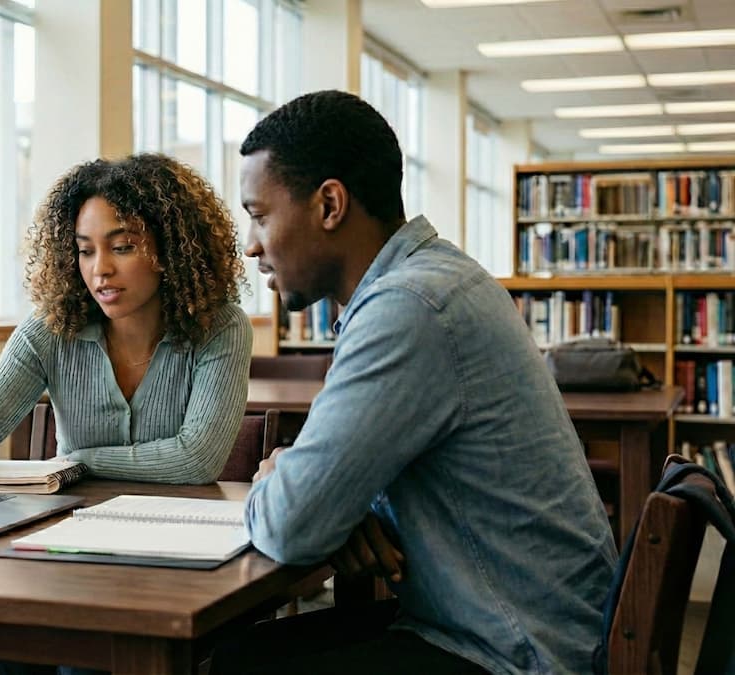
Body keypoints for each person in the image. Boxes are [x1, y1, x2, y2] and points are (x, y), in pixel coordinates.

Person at [209, 90, 617, 675]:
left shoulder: (408, 308)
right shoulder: (438, 277)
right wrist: (332, 508)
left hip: (515, 650)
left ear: (330, 205)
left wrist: (279, 476)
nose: (251, 246)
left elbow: (292, 525)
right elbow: (317, 506)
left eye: (259, 215)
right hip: (514, 622)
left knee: (233, 665)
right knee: (239, 656)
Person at [0, 152, 253, 675]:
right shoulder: (49, 328)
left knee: (88, 663)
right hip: (69, 546)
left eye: (122, 247)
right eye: (85, 250)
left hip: (176, 555)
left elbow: (195, 459)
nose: (100, 269)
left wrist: (74, 462)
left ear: (172, 248)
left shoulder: (221, 327)